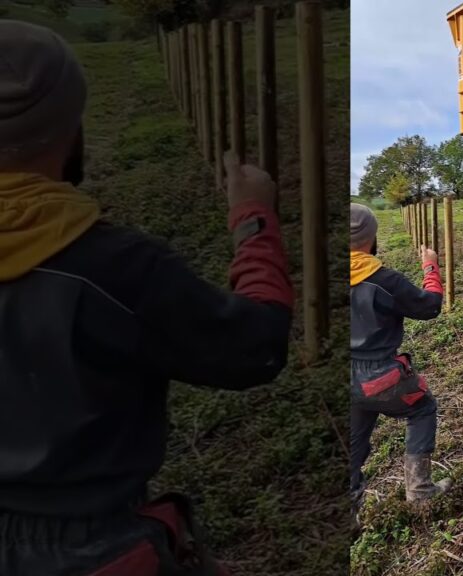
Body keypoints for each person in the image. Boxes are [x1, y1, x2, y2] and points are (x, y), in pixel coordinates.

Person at [0, 21, 293, 575]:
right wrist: (253, 217)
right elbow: (254, 346)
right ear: (72, 127)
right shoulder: (116, 269)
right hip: (94, 552)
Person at [350, 203, 451, 521]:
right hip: (379, 376)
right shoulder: (382, 280)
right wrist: (431, 267)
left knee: (351, 443)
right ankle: (420, 491)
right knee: (422, 408)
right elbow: (429, 306)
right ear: (371, 237)